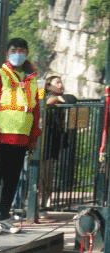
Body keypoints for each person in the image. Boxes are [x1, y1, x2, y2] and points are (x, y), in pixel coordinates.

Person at [0, 38, 41, 236]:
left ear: (27, 53)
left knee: (11, 181)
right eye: (14, 50)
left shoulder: (31, 80)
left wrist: (32, 139)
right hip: (0, 138)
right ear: (7, 53)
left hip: (20, 138)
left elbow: (35, 111)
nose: (18, 54)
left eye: (22, 50)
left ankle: (3, 217)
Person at [38, 75, 78, 217]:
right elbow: (45, 102)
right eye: (57, 83)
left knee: (48, 176)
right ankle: (36, 206)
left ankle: (44, 205)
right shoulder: (43, 98)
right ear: (48, 86)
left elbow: (72, 99)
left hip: (53, 144)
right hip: (41, 144)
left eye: (61, 83)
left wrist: (59, 98)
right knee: (40, 175)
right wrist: (54, 95)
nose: (60, 85)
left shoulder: (60, 100)